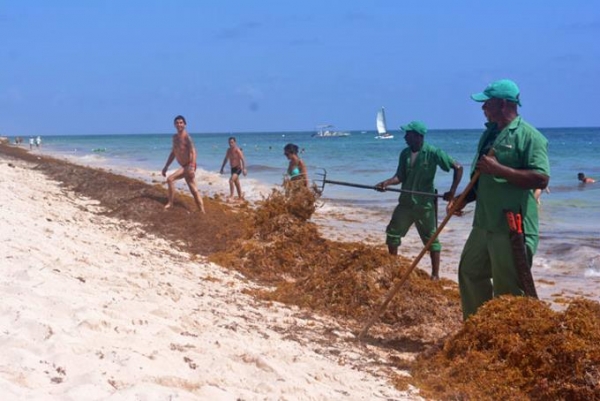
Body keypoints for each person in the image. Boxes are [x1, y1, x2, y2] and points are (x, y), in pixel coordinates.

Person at [448, 79, 550, 320]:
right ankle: (476, 328)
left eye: (487, 102)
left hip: (512, 226)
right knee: (470, 272)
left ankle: (506, 337)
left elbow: (541, 179)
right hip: (484, 222)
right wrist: (462, 200)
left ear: (503, 104)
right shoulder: (490, 135)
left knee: (509, 290)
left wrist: (500, 169)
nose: (483, 107)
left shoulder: (529, 136)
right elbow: (480, 177)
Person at [375, 121, 463, 280]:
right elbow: (400, 176)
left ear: (418, 136)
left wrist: (452, 192)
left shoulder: (433, 152)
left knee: (431, 239)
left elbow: (458, 167)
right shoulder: (404, 154)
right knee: (393, 233)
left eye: (407, 134)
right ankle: (393, 266)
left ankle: (435, 275)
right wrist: (386, 183)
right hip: (406, 203)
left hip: (425, 205)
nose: (404, 137)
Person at [161, 115, 205, 213]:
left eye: (181, 122)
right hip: (184, 166)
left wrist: (192, 167)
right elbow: (173, 153)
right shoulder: (175, 138)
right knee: (193, 189)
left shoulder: (187, 137)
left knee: (170, 179)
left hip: (189, 165)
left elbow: (194, 151)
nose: (179, 124)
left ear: (185, 124)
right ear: (174, 125)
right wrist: (166, 166)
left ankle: (170, 202)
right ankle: (202, 211)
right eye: (177, 123)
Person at [219, 137, 247, 201]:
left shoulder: (237, 150)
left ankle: (231, 196)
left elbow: (243, 159)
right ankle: (240, 197)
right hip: (232, 169)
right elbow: (226, 159)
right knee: (237, 183)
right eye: (229, 142)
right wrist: (222, 168)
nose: (230, 144)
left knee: (231, 181)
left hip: (238, 168)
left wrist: (244, 169)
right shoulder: (228, 150)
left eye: (232, 142)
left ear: (235, 142)